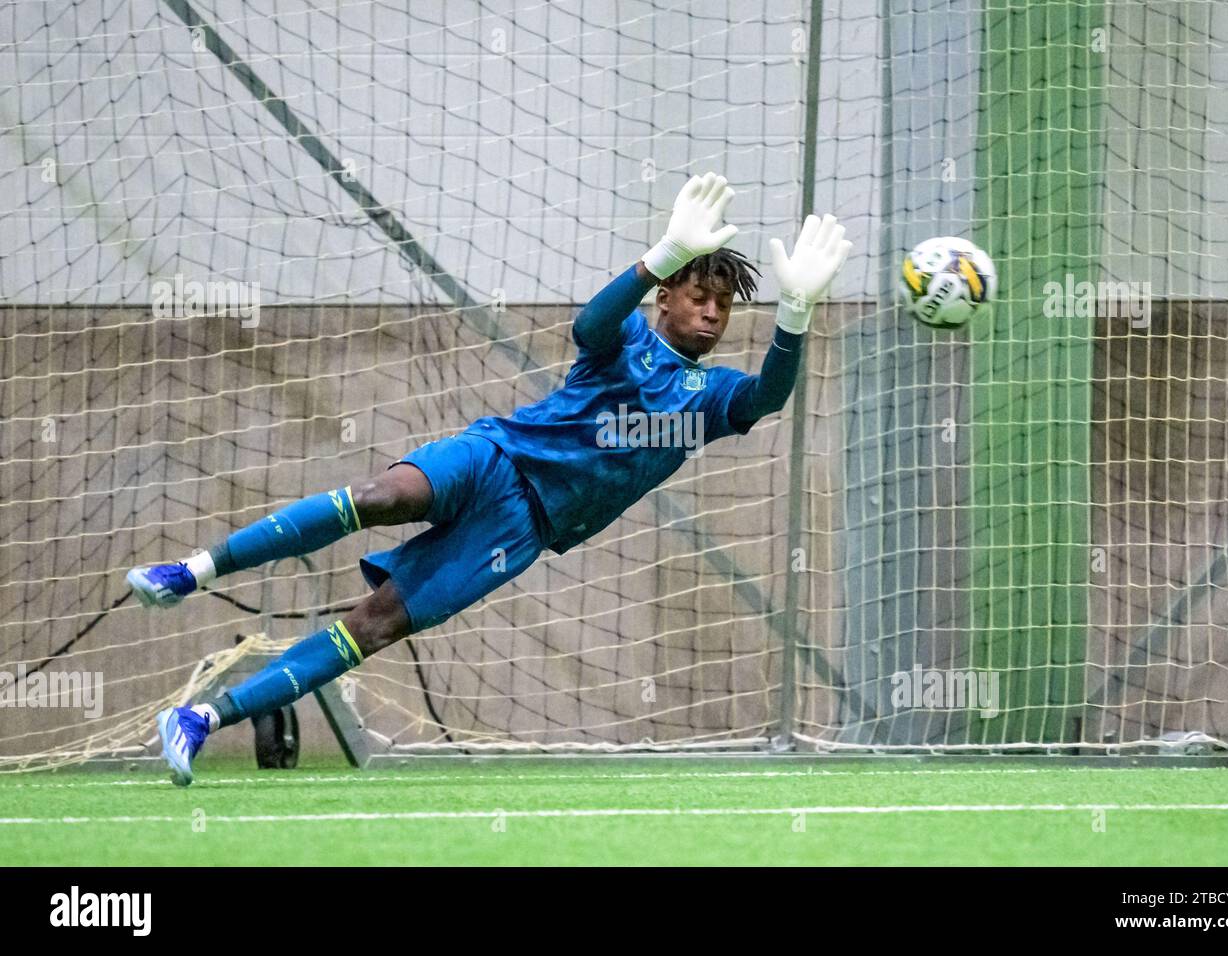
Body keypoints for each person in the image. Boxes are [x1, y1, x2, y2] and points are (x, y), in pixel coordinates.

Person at [132, 171, 851, 785]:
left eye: (724, 305)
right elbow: (588, 326)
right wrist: (660, 254)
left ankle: (199, 719)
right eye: (698, 295)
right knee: (383, 495)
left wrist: (795, 313)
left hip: (522, 527)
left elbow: (767, 397)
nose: (713, 312)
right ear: (665, 297)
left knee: (375, 625)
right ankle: (188, 573)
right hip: (495, 457)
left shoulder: (712, 396)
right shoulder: (629, 335)